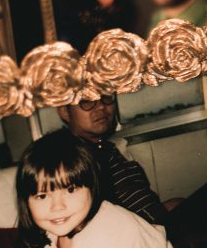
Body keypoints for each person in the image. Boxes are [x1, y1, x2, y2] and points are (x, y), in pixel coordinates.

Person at [2, 130, 174, 248]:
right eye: (42, 196)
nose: (57, 207)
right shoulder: (47, 237)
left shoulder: (121, 231)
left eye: (70, 190)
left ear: (92, 186)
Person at [58, 93, 169, 226]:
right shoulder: (71, 161)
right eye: (86, 101)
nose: (101, 107)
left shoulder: (109, 148)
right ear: (65, 112)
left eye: (106, 96)